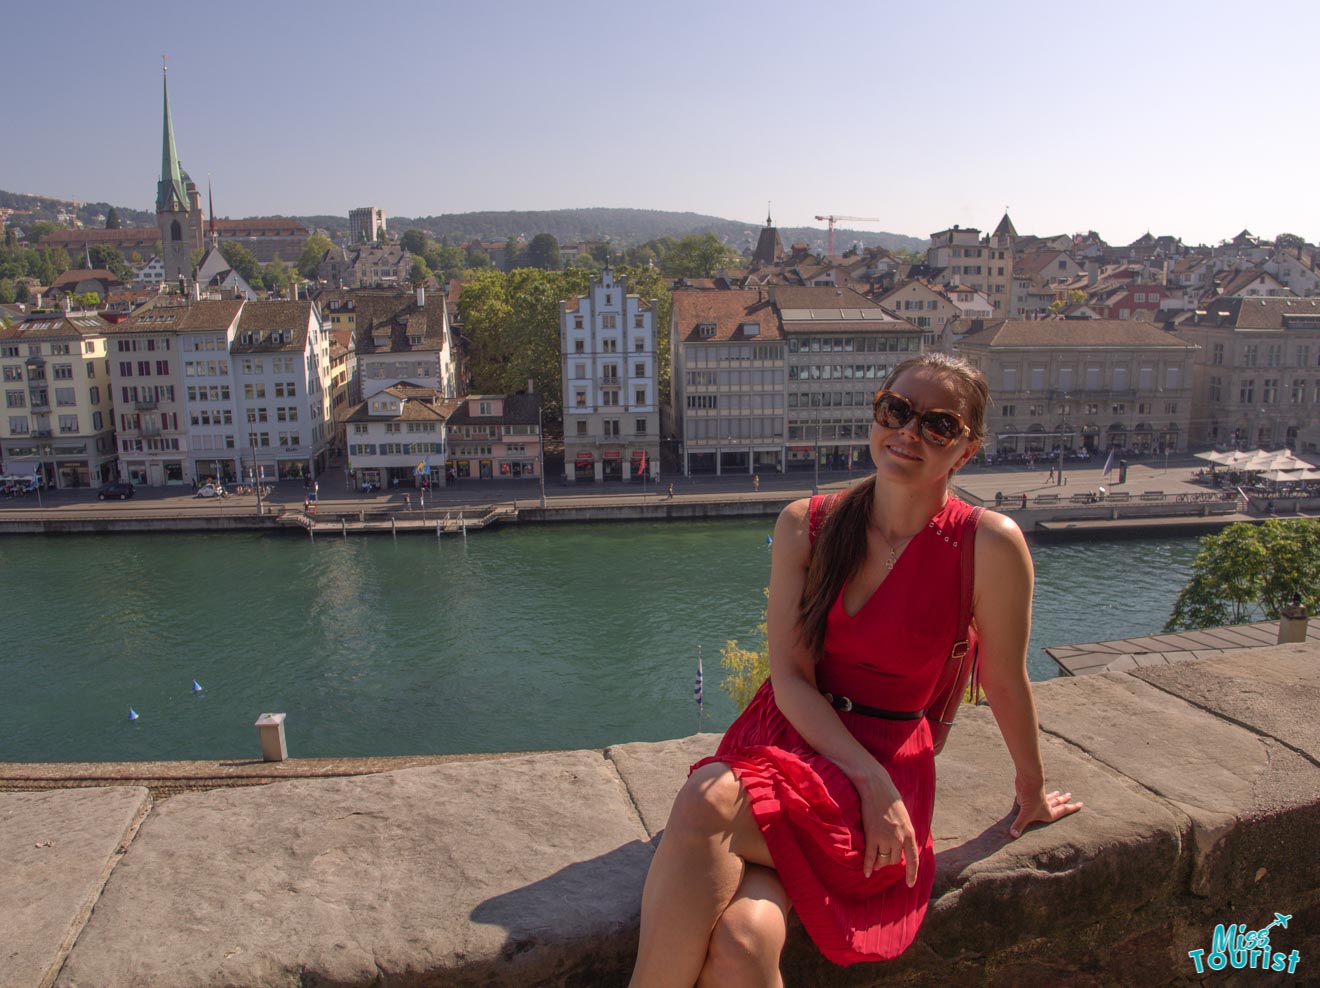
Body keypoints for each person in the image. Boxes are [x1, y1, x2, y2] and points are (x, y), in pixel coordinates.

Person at [631, 353, 1081, 986]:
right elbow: (789, 676)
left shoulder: (988, 543)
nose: (908, 433)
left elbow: (1007, 680)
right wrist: (870, 782)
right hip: (791, 740)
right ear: (876, 411)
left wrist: (1029, 792)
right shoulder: (806, 525)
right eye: (897, 411)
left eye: (938, 425)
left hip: (884, 766)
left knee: (707, 799)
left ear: (966, 450)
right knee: (743, 941)